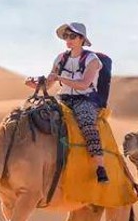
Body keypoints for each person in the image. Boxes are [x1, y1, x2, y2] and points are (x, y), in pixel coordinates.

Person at [27, 22, 112, 183]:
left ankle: (100, 167)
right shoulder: (60, 59)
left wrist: (60, 78)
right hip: (63, 98)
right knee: (37, 113)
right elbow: (48, 84)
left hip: (85, 99)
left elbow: (84, 84)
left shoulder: (92, 60)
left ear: (82, 39)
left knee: (87, 123)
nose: (68, 39)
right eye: (66, 36)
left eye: (72, 36)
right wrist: (34, 83)